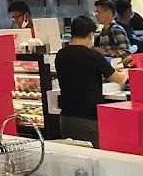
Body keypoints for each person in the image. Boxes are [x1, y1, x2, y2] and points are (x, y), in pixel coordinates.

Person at [55, 15, 128, 147]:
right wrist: (126, 72)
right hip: (88, 119)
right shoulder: (92, 55)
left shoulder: (60, 54)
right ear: (90, 35)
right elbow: (118, 79)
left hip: (66, 118)